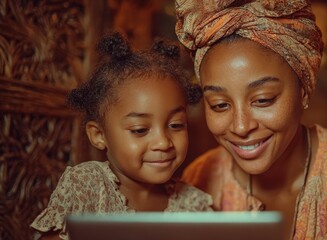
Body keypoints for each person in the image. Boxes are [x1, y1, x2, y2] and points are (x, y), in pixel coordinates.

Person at [174, 0, 327, 239]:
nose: (241, 126)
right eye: (219, 105)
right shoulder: (199, 181)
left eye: (263, 100)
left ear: (304, 90)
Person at [30, 32, 212, 240]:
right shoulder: (88, 186)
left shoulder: (193, 205)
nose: (163, 142)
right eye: (140, 130)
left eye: (176, 125)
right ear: (99, 135)